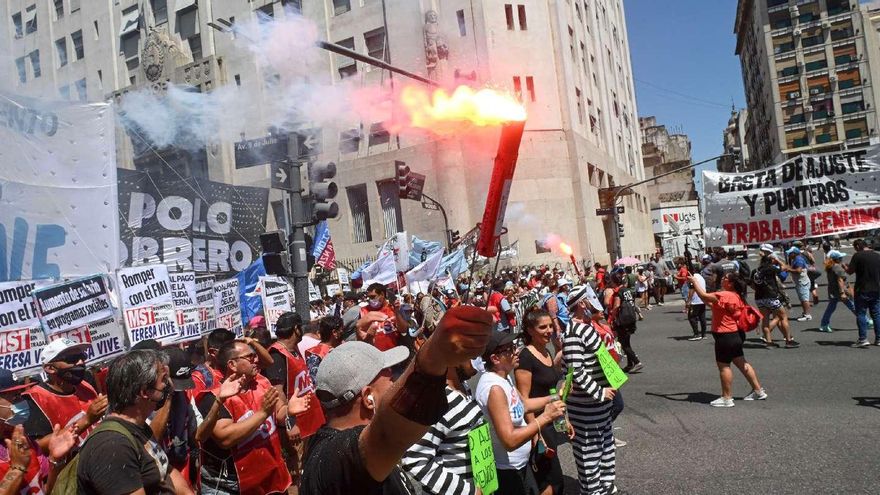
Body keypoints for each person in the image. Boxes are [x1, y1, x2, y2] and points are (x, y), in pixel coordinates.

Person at [300, 306, 493, 495]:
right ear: (368, 398)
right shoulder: (334, 459)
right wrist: (435, 354)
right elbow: (387, 434)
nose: (396, 384)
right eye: (390, 379)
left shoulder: (329, 444)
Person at [197, 340, 309, 494]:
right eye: (250, 357)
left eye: (255, 356)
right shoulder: (213, 397)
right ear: (232, 365)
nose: (256, 359)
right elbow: (225, 438)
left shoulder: (261, 382)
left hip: (271, 476)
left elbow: (279, 414)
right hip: (232, 485)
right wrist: (262, 413)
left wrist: (289, 411)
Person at [76, 349, 182, 493]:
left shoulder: (139, 427)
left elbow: (165, 471)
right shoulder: (112, 446)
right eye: (163, 379)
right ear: (144, 392)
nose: (168, 385)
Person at [476, 331, 565, 495]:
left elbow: (523, 405)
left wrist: (555, 397)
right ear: (495, 359)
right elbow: (509, 440)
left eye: (514, 346)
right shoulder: (494, 389)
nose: (516, 351)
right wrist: (545, 417)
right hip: (508, 471)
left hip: (520, 464)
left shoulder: (504, 378)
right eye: (509, 349)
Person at [400, 360, 485, 495]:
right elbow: (414, 459)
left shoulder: (464, 387)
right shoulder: (436, 401)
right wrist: (468, 491)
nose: (478, 358)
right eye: (471, 352)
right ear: (453, 356)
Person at [562, 298, 618, 494]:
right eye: (589, 300)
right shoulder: (572, 332)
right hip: (586, 404)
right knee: (589, 450)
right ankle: (592, 490)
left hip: (601, 402)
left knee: (605, 444)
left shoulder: (588, 326)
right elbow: (575, 370)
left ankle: (605, 484)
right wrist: (599, 391)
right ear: (582, 304)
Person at [687, 272, 766, 408]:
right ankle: (758, 391)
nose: (722, 279)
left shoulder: (725, 294)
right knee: (742, 363)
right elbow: (711, 302)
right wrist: (698, 288)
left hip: (725, 336)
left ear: (730, 283)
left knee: (724, 366)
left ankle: (727, 398)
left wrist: (694, 282)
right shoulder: (736, 296)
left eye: (724, 278)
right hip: (736, 335)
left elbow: (705, 296)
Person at [265, 310, 325, 485]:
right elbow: (278, 395)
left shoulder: (293, 350)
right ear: (296, 329)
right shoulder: (277, 356)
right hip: (297, 429)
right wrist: (290, 424)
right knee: (298, 475)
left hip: (310, 424)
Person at [514, 309, 570, 495]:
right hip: (539, 424)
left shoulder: (546, 351)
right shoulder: (526, 357)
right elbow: (524, 399)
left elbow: (552, 391)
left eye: (550, 326)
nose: (549, 330)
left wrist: (564, 420)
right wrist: (535, 432)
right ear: (530, 330)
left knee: (553, 479)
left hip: (552, 421)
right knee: (550, 481)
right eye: (542, 327)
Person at [0, 368, 77, 494]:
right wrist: (17, 469)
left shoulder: (22, 439)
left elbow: (45, 490)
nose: (21, 402)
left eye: (20, 395)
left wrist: (56, 461)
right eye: (14, 397)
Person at [22, 338, 107, 451]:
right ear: (50, 368)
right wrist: (86, 420)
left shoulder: (86, 385)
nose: (80, 362)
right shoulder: (35, 399)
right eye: (72, 359)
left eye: (82, 356)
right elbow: (36, 446)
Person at [751, 244, 799, 348]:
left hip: (759, 298)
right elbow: (784, 268)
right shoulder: (771, 268)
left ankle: (769, 341)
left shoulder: (755, 271)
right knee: (783, 316)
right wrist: (778, 261)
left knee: (765, 319)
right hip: (771, 296)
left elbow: (751, 284)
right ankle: (788, 340)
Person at [358, 283, 411, 351]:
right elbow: (359, 335)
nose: (370, 300)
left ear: (382, 294)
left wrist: (397, 312)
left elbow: (403, 330)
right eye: (369, 297)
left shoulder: (393, 309)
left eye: (373, 297)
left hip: (394, 354)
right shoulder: (363, 311)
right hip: (373, 356)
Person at [847, 238, 880, 347]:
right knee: (876, 314)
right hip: (876, 288)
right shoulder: (877, 255)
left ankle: (863, 339)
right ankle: (879, 339)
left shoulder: (858, 256)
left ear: (857, 246)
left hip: (862, 289)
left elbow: (850, 271)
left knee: (861, 314)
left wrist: (844, 266)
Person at [608, 272, 643, 373]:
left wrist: (611, 319)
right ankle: (630, 363)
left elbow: (616, 306)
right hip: (631, 318)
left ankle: (637, 362)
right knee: (626, 341)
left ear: (614, 282)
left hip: (623, 320)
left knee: (624, 344)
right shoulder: (627, 290)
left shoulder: (618, 292)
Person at [819, 250, 857, 333]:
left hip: (833, 290)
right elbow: (840, 280)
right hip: (840, 290)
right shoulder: (837, 267)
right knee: (852, 305)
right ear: (837, 259)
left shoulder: (830, 266)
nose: (842, 258)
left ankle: (824, 324)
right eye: (841, 257)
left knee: (831, 308)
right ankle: (865, 320)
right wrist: (842, 293)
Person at [305, 315, 345, 382]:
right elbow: (314, 383)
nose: (343, 332)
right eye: (342, 330)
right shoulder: (317, 356)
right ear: (334, 333)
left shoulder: (341, 349)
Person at [785, 246, 813, 321]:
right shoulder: (796, 259)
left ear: (794, 253)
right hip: (800, 281)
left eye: (790, 253)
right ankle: (805, 313)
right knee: (802, 298)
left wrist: (789, 269)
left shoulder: (798, 260)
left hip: (802, 281)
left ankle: (807, 315)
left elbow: (798, 271)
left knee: (804, 299)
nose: (789, 255)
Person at [686, 269, 708, 341]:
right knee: (702, 317)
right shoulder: (701, 277)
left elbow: (692, 289)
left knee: (691, 317)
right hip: (702, 300)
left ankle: (696, 334)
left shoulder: (693, 277)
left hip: (695, 301)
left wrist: (688, 301)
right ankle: (703, 334)